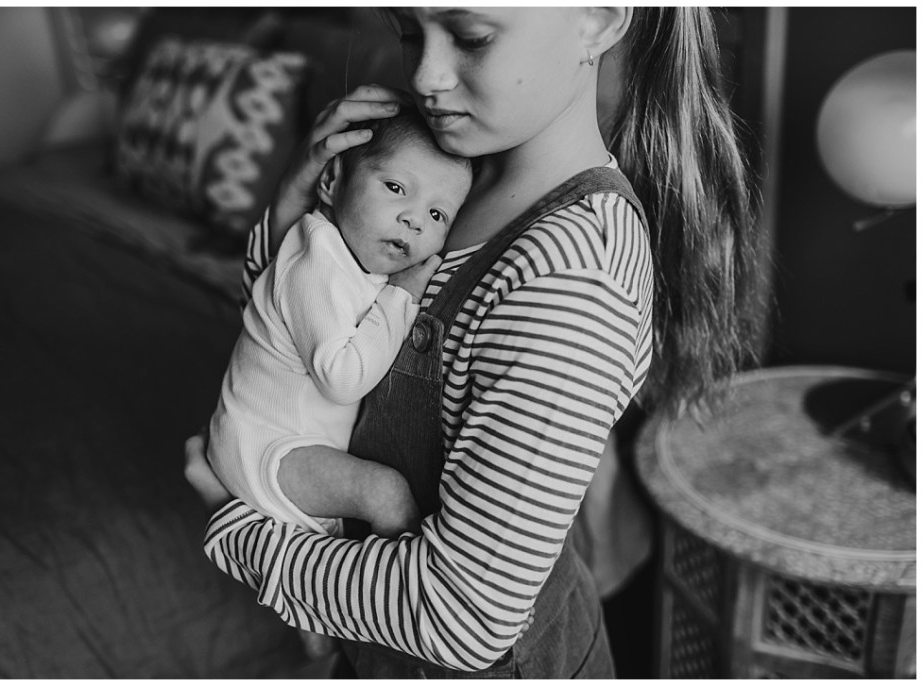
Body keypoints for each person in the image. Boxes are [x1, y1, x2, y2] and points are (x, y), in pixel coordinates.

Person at [185, 7, 764, 678]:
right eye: (408, 31)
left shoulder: (570, 275)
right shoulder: (447, 164)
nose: (425, 76)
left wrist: (239, 531)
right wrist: (295, 201)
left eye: (470, 37)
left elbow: (462, 618)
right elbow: (285, 333)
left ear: (596, 21)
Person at [207, 110, 472, 539]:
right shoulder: (317, 263)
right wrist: (401, 297)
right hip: (266, 445)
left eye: (438, 214)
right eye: (396, 188)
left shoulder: (352, 259)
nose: (415, 219)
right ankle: (401, 576)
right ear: (331, 183)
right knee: (384, 493)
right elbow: (342, 379)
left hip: (288, 444)